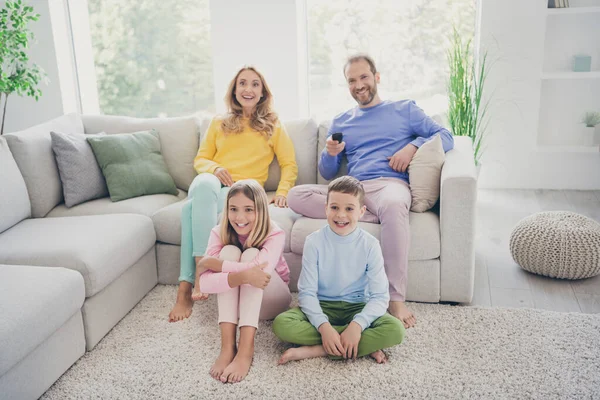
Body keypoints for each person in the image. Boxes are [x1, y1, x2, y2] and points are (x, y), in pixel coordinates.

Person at [287, 54, 454, 329]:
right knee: (296, 196)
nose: (358, 85)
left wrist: (412, 147)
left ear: (376, 77)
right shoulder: (342, 120)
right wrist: (330, 154)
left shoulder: (404, 109)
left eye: (364, 77)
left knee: (391, 205)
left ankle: (396, 299)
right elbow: (329, 173)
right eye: (351, 80)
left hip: (390, 185)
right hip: (354, 190)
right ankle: (363, 213)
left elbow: (444, 135)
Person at [168, 66, 298, 322]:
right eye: (242, 83)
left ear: (262, 92)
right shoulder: (219, 122)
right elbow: (201, 159)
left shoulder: (272, 125)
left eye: (254, 84)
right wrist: (215, 168)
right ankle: (201, 270)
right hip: (213, 183)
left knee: (189, 209)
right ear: (234, 90)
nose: (248, 89)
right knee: (204, 185)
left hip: (242, 192)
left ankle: (187, 286)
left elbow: (289, 163)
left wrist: (282, 191)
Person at [273, 176, 404, 364]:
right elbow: (307, 293)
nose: (341, 215)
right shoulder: (314, 242)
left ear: (361, 211)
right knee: (282, 325)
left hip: (357, 307)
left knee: (396, 330)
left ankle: (317, 350)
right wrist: (324, 327)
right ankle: (354, 345)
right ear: (326, 208)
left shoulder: (370, 245)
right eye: (334, 207)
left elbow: (380, 297)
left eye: (349, 209)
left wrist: (357, 326)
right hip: (323, 305)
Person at [196, 179, 292, 383]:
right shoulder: (218, 231)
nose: (239, 217)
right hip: (241, 304)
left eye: (249, 209)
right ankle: (228, 347)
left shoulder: (275, 232)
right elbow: (204, 284)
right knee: (229, 251)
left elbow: (259, 274)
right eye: (233, 209)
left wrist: (219, 266)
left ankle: (246, 350)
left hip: (272, 299)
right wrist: (240, 275)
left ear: (261, 210)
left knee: (250, 255)